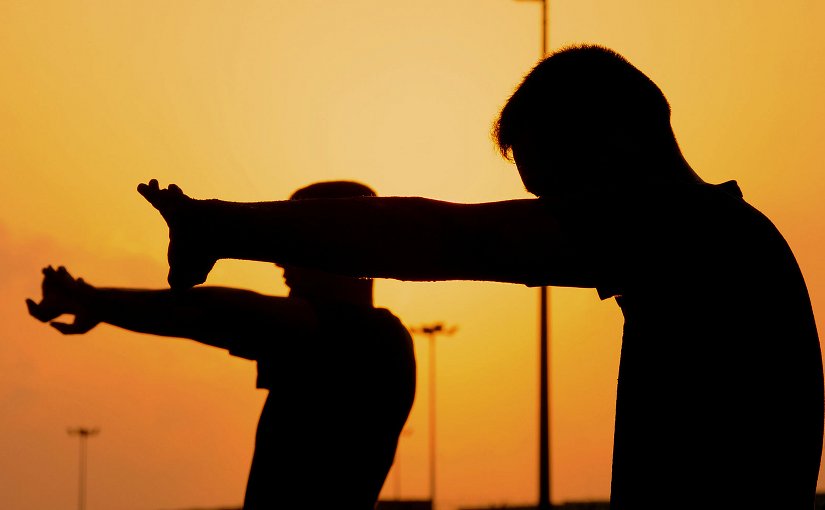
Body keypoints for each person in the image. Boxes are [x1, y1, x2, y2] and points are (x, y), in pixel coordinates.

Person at [134, 44, 824, 508]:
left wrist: (222, 226)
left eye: (560, 195)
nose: (551, 219)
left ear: (617, 142)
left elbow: (454, 238)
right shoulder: (722, 242)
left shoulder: (681, 229)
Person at [27, 181, 417, 510]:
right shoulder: (360, 339)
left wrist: (99, 302)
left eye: (295, 246)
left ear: (336, 249)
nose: (282, 264)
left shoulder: (372, 339)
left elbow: (217, 314)